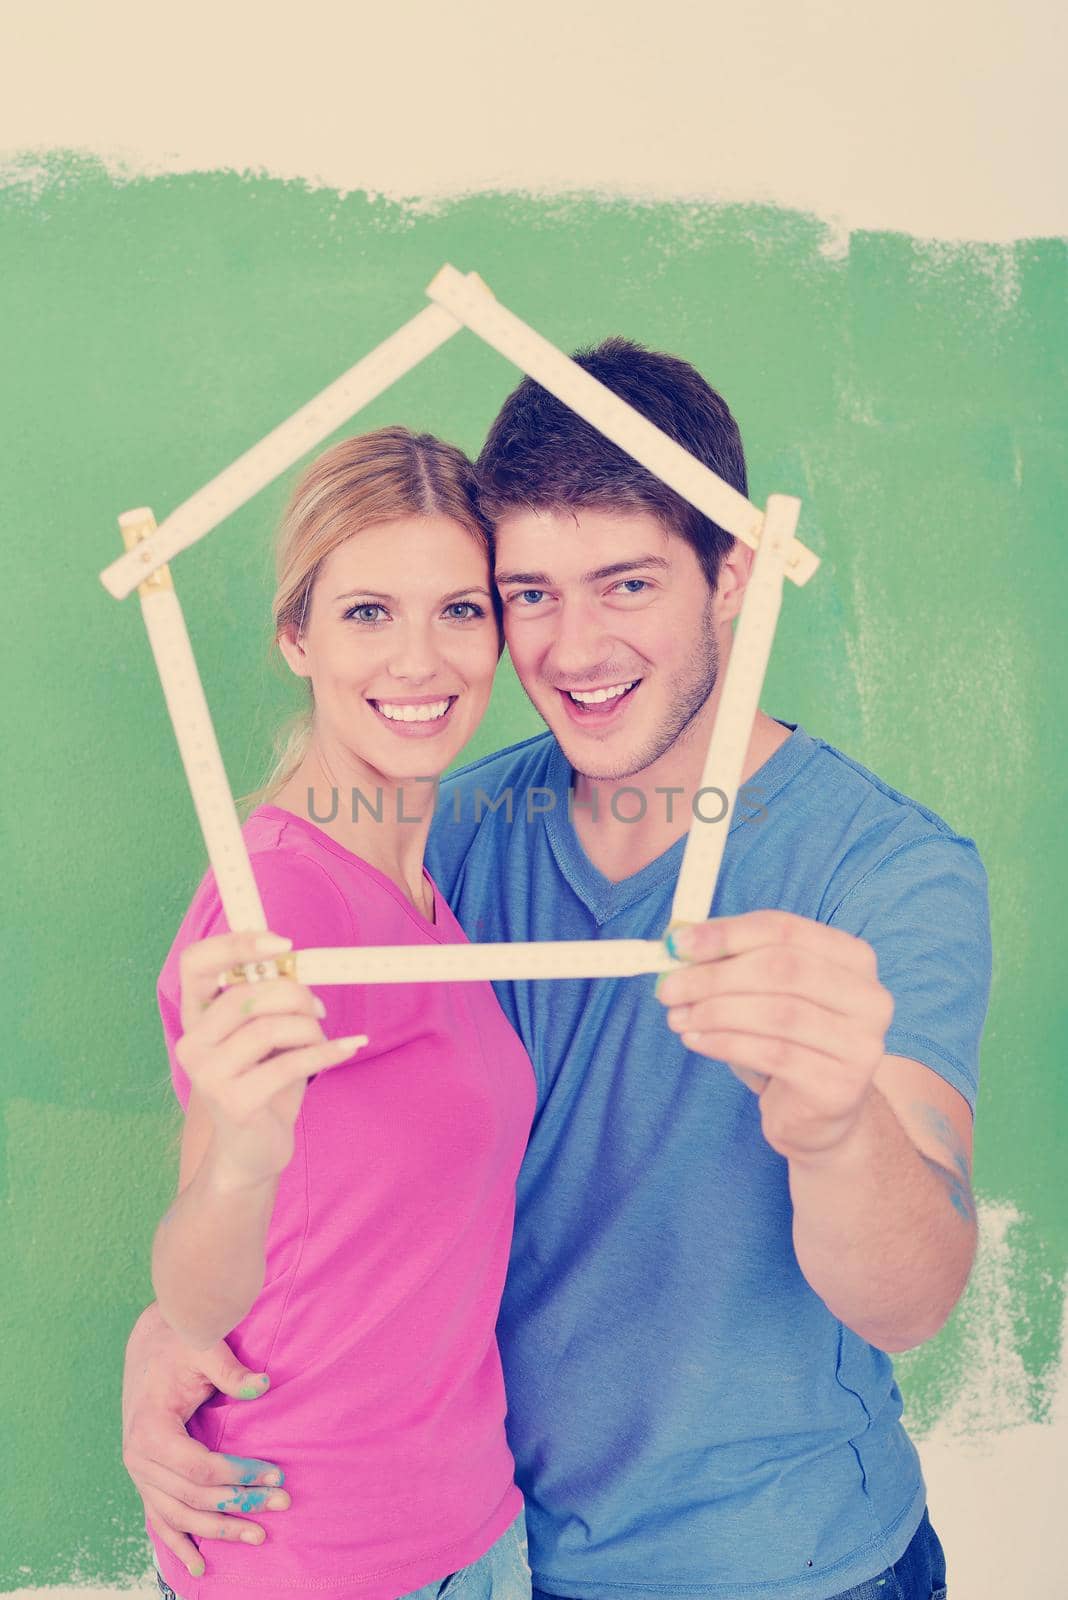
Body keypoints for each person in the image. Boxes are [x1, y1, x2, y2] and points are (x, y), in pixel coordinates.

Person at [123, 340, 989, 1600]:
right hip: (499, 1555)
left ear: (731, 574)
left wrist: (837, 1125)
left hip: (790, 1567)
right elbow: (315, 1182)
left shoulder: (886, 868)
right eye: (527, 592)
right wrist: (176, 1331)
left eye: (626, 583)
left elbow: (916, 1294)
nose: (572, 647)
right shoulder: (441, 836)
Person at [142, 426, 536, 1600]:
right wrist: (239, 1164)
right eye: (368, 612)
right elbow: (200, 1295)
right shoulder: (278, 904)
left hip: (476, 1532)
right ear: (295, 632)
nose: (421, 658)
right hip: (312, 1558)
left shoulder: (426, 883)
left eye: (460, 610)